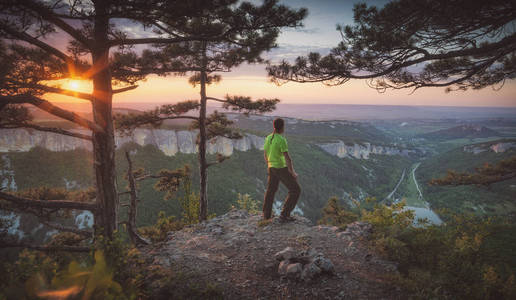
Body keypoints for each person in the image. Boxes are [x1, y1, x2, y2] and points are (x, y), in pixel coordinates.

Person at [262, 118, 301, 222]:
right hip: (280, 168)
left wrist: (269, 164)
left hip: (271, 167)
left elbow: (265, 154)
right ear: (282, 127)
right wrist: (292, 172)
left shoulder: (269, 137)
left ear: (274, 126)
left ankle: (266, 215)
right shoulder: (281, 139)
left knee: (271, 191)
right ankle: (284, 215)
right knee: (295, 190)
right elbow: (288, 158)